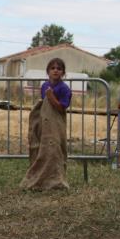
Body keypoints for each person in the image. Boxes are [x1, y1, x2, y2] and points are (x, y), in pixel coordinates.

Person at [21, 58, 71, 190]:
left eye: (59, 68)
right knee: (42, 149)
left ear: (63, 73)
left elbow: (61, 108)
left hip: (56, 124)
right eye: (53, 68)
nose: (55, 70)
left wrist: (52, 97)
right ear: (48, 71)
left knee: (55, 149)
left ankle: (56, 180)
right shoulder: (44, 86)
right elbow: (43, 105)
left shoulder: (64, 89)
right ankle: (40, 179)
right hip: (44, 122)